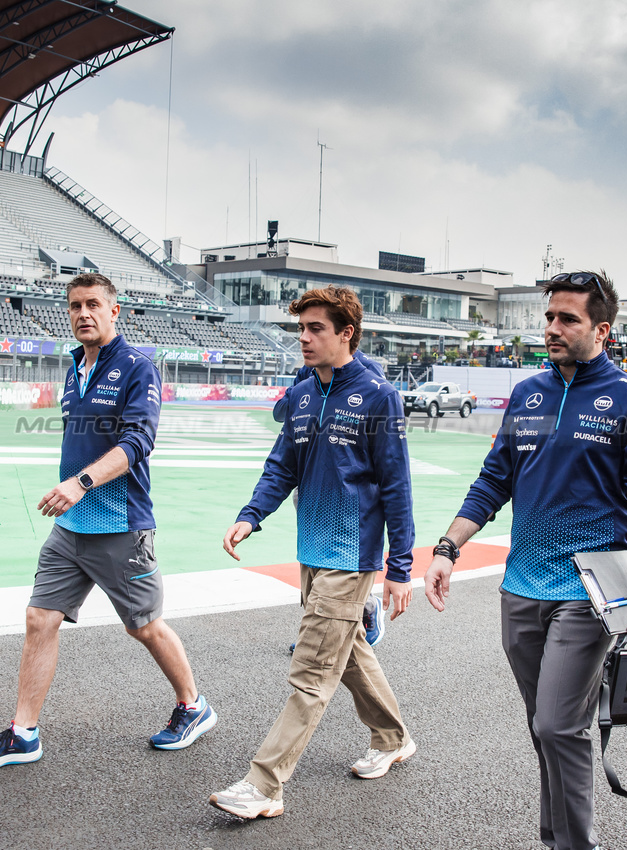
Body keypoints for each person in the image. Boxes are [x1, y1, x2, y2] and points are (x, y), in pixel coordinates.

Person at [424, 271, 627, 850]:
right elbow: (493, 482)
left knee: (559, 725)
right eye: (549, 317)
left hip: (589, 590)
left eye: (568, 319)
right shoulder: (528, 392)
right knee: (547, 730)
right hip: (520, 588)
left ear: (601, 329)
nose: (553, 328)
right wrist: (447, 549)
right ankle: (555, 834)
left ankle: (573, 843)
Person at [0, 272, 215, 770]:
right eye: (75, 305)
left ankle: (193, 706)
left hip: (121, 527)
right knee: (40, 618)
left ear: (114, 311)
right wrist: (75, 495)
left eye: (93, 304)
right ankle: (23, 733)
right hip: (70, 528)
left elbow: (139, 442)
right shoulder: (75, 366)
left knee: (143, 626)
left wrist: (79, 483)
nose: (83, 313)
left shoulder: (138, 367)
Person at [210, 286, 415, 820]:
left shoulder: (377, 395)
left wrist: (399, 567)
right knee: (345, 656)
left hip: (352, 555)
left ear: (346, 333)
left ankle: (263, 786)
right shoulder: (302, 394)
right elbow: (282, 465)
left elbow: (397, 485)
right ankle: (392, 738)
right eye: (300, 328)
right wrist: (250, 515)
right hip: (311, 549)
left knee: (311, 671)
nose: (303, 337)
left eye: (315, 328)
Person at [274, 348, 390, 650]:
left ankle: (365, 609)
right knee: (313, 568)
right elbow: (281, 413)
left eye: (317, 328)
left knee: (336, 573)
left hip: (348, 496)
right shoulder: (308, 372)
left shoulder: (368, 372)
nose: (305, 339)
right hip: (310, 477)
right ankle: (319, 632)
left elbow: (375, 430)